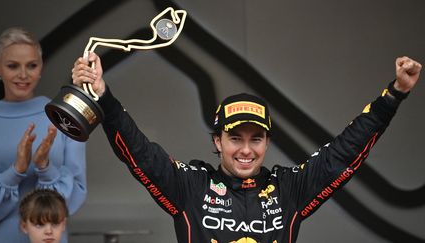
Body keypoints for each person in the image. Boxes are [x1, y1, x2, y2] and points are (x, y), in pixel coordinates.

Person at [71, 52, 421, 243]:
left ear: (267, 142)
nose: (246, 150)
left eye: (256, 139)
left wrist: (394, 95)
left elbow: (344, 152)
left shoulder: (289, 190)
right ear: (217, 141)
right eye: (235, 138)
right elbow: (140, 153)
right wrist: (104, 97)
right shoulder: (191, 187)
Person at [0, 27, 87, 243]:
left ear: (41, 67)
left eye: (31, 65)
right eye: (12, 66)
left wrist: (45, 167)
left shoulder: (64, 116)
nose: (23, 75)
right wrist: (16, 170)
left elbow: (76, 195)